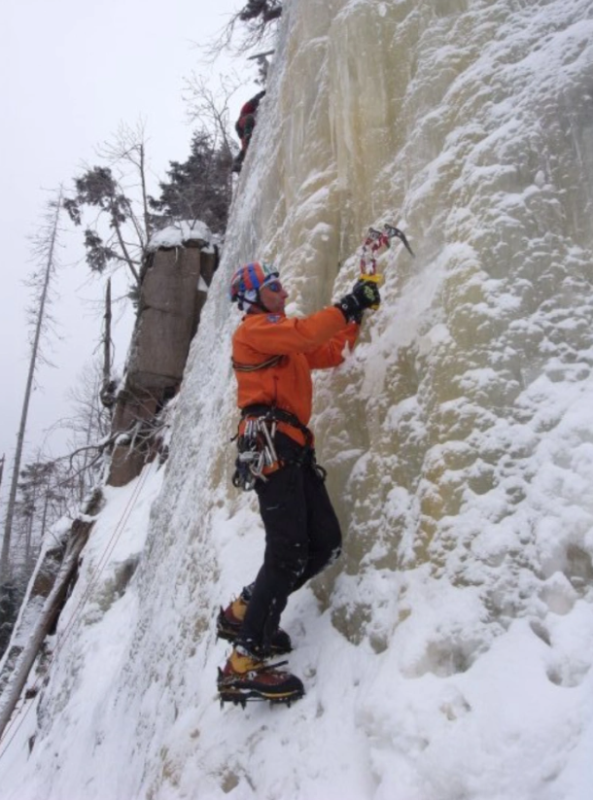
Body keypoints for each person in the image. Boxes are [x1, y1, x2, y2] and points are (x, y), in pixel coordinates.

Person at [216, 261, 381, 706]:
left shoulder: (281, 342)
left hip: (294, 451)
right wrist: (348, 302)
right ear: (253, 298)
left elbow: (325, 351)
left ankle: (245, 612)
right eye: (274, 286)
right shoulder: (254, 331)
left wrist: (357, 313)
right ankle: (243, 661)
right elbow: (306, 333)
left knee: (323, 544)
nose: (283, 291)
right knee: (287, 553)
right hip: (273, 449)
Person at [231, 90, 266, 173]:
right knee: (249, 118)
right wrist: (264, 92)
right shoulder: (246, 111)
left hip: (246, 129)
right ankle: (247, 135)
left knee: (244, 148)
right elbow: (254, 100)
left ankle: (237, 163)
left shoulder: (256, 114)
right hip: (242, 125)